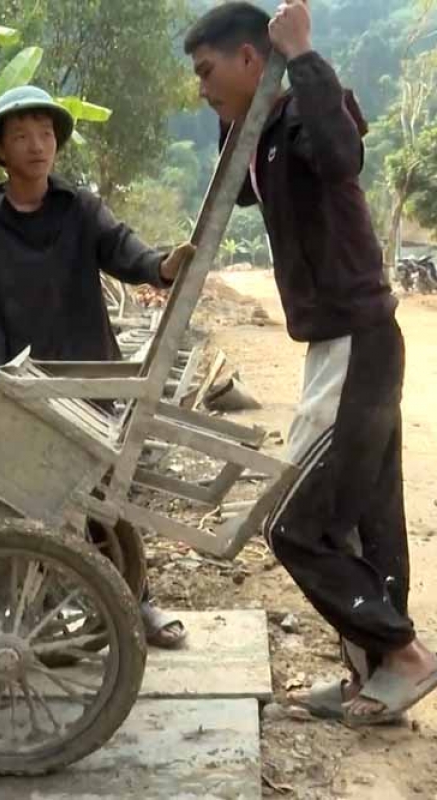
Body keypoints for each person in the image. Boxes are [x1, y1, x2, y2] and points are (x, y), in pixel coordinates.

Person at [184, 0, 437, 725]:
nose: (202, 88)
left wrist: (302, 55)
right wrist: (238, 108)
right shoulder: (261, 138)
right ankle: (372, 677)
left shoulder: (305, 119)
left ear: (249, 58)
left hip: (358, 341)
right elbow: (232, 195)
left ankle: (406, 656)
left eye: (207, 72)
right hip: (338, 343)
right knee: (363, 520)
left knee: (294, 526)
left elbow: (343, 156)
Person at [0, 85, 196, 649]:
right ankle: (31, 619)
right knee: (30, 507)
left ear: (57, 144)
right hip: (27, 390)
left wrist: (160, 267)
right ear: (1, 151)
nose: (37, 146)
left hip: (92, 380)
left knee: (106, 500)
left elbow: (123, 248)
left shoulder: (80, 210)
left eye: (45, 134)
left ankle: (138, 603)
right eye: (21, 136)